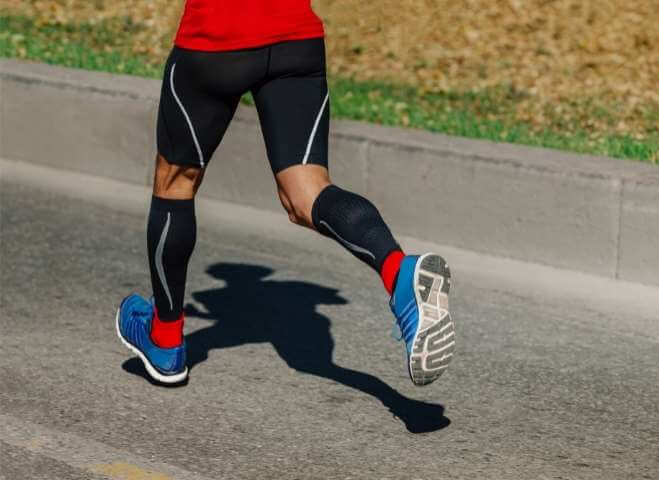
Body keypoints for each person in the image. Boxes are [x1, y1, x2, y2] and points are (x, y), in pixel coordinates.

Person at [116, 0, 455, 387]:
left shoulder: (221, 301)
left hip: (216, 37)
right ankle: (399, 271)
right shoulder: (314, 301)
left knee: (175, 180)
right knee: (308, 192)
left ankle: (165, 339)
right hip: (296, 41)